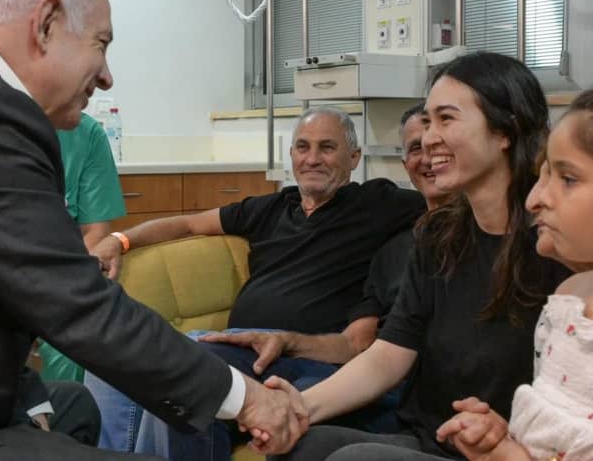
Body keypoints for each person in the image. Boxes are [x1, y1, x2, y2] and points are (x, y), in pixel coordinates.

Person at [0, 0, 306, 460]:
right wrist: (244, 397)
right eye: (101, 43)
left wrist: (27, 398)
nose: (108, 75)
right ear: (46, 23)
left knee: (73, 406)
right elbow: (76, 306)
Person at [267, 51, 574, 461]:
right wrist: (298, 408)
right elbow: (390, 353)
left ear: (505, 132)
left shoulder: (559, 245)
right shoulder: (438, 236)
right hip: (428, 437)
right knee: (296, 444)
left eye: (446, 119)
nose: (430, 138)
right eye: (428, 121)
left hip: (503, 449)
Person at [86, 105, 427, 454]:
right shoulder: (271, 208)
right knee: (109, 360)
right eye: (302, 147)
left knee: (186, 375)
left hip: (301, 357)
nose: (312, 159)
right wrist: (118, 240)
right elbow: (187, 224)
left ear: (354, 157)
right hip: (234, 346)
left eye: (327, 147)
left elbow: (443, 200)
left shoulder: (378, 203)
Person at [435, 72, 593, 461]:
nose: (535, 199)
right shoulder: (569, 296)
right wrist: (502, 438)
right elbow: (561, 434)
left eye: (567, 178)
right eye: (543, 175)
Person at [39, 111, 128, 383]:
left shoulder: (86, 133)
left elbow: (95, 232)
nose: (104, 80)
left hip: (57, 280)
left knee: (72, 342)